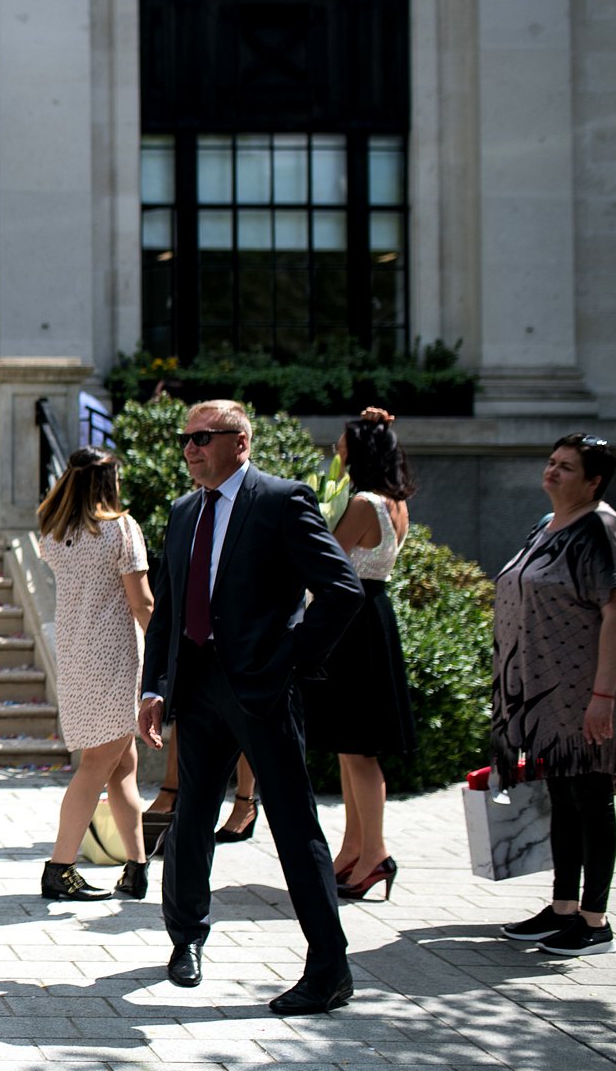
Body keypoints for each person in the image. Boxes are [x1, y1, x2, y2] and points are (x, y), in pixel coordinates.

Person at [137, 399, 362, 1015]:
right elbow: (171, 609)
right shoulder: (184, 512)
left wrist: (287, 657)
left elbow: (341, 589)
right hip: (198, 689)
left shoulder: (280, 501)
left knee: (294, 827)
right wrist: (154, 687)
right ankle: (185, 940)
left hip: (262, 690)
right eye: (185, 439)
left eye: (202, 437)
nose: (190, 449)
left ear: (240, 441)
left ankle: (329, 969)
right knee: (190, 820)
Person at [493, 433, 616, 958]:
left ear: (593, 481)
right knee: (564, 798)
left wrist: (604, 696)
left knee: (591, 797)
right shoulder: (547, 525)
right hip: (543, 691)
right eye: (551, 462)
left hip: (583, 690)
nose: (553, 472)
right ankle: (564, 907)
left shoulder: (602, 527)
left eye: (567, 467)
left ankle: (595, 921)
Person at [303, 407, 417, 901]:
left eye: (344, 442)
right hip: (373, 614)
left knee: (360, 750)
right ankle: (354, 849)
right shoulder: (396, 503)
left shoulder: (365, 503)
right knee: (353, 748)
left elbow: (326, 555)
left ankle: (375, 854)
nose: (337, 449)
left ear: (361, 451)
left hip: (354, 622)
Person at [35, 448, 153, 902]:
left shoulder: (56, 532)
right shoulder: (121, 529)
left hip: (78, 658)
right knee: (97, 767)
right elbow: (141, 602)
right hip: (116, 658)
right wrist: (166, 648)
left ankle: (136, 867)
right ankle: (59, 868)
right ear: (111, 480)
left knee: (123, 767)